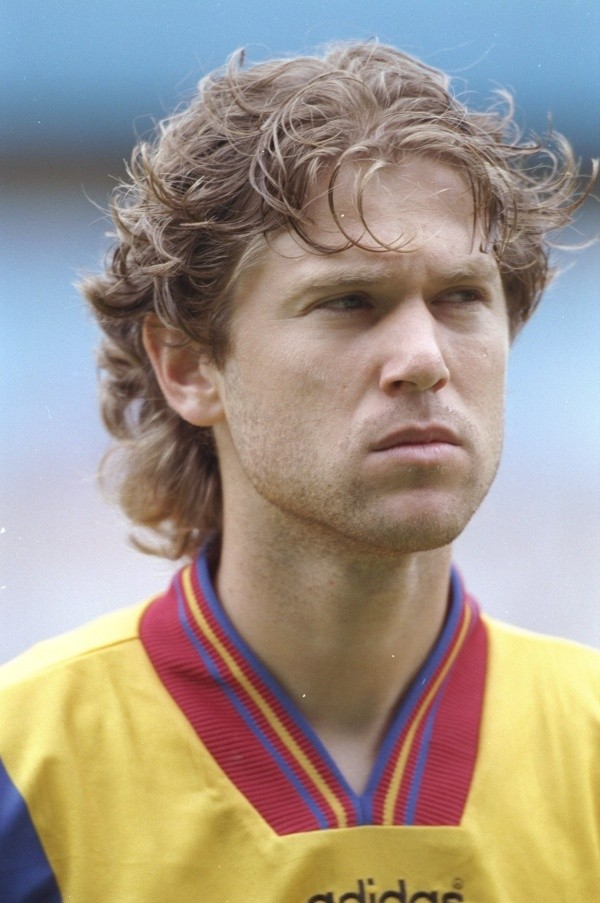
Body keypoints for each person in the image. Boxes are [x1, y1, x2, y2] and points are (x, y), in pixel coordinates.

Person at [0, 41, 598, 903]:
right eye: (349, 301)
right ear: (189, 367)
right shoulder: (25, 768)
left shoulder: (587, 746)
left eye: (461, 297)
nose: (424, 358)